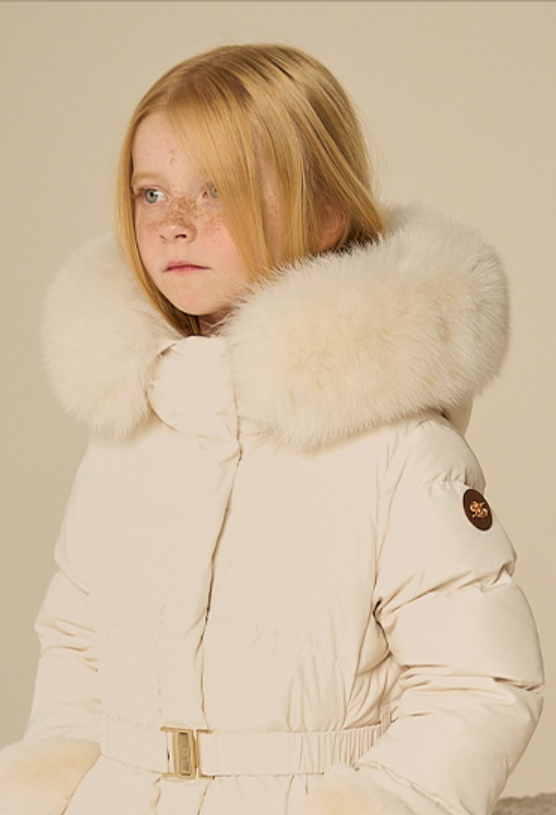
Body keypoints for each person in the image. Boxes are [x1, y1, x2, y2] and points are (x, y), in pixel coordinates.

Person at [0, 43, 544, 815]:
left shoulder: (392, 447)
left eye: (216, 190)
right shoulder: (131, 428)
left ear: (323, 214)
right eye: (152, 193)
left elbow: (476, 682)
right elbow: (78, 648)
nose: (175, 224)